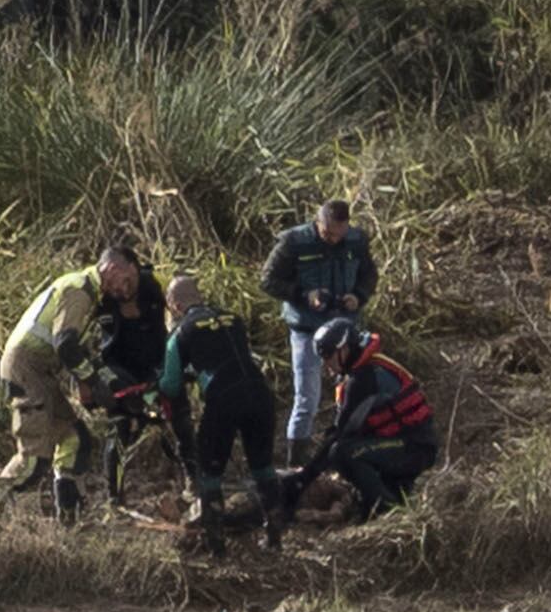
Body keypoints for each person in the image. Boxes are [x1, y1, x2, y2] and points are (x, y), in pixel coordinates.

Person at [0, 247, 141, 524]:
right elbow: (65, 343)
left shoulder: (86, 292)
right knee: (32, 462)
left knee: (75, 439)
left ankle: (70, 519)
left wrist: (98, 382)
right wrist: (93, 382)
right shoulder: (80, 290)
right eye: (126, 281)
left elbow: (74, 350)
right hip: (28, 369)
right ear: (112, 269)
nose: (125, 290)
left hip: (38, 370)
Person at [156, 274, 286, 557]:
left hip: (224, 399)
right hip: (259, 393)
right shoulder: (233, 319)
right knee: (263, 467)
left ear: (174, 305)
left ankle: (217, 549)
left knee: (210, 473)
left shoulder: (180, 333)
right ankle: (275, 540)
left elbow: (170, 384)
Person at [260, 200, 378, 466]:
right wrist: (304, 295)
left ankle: (348, 457)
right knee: (307, 399)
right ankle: (296, 465)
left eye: (339, 234)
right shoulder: (293, 242)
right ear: (318, 222)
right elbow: (268, 280)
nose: (334, 239)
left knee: (354, 395)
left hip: (345, 331)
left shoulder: (357, 241)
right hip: (306, 330)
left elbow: (370, 275)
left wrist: (358, 296)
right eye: (328, 234)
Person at [295, 317, 438, 520]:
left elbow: (340, 435)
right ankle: (382, 501)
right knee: (345, 451)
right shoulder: (361, 370)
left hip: (414, 448)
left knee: (342, 452)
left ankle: (389, 512)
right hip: (400, 444)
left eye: (327, 355)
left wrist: (303, 480)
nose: (324, 363)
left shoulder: (364, 378)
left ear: (344, 349)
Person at [94, 245, 170, 503]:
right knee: (120, 426)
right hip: (118, 370)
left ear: (134, 267)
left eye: (126, 282)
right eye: (113, 287)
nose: (121, 290)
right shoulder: (99, 297)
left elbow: (171, 327)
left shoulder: (154, 286)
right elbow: (84, 347)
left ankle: (194, 480)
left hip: (154, 365)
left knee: (175, 417)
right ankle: (114, 496)